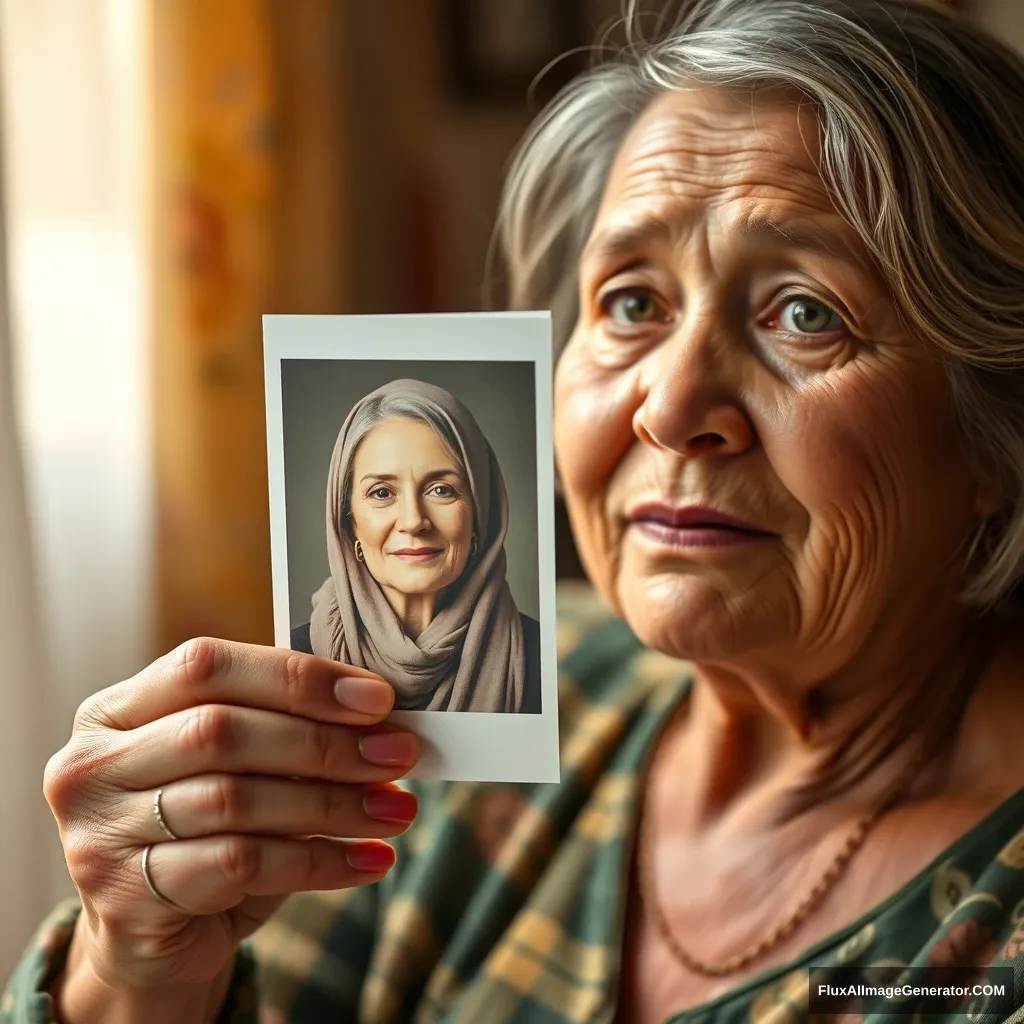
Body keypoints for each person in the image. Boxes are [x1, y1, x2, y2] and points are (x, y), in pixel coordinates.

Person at [6, 0, 1024, 1021]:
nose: (667, 410)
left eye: (805, 313)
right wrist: (139, 966)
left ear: (993, 427)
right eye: (630, 303)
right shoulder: (463, 710)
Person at [290, 378, 541, 714]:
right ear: (349, 521)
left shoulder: (544, 659)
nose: (413, 521)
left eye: (441, 490)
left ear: (481, 511)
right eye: (382, 493)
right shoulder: (293, 659)